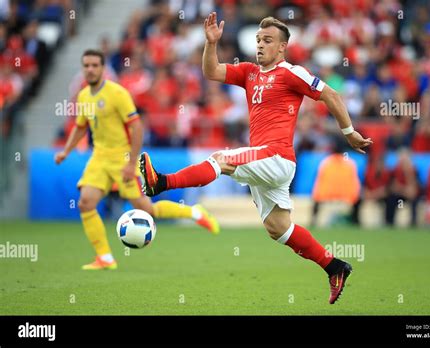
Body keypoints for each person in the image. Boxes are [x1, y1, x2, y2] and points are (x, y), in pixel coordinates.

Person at [140, 13, 373, 304]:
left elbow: (332, 96)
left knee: (220, 159)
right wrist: (211, 43)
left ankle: (161, 182)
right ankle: (335, 267)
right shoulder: (249, 72)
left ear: (282, 47)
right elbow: (212, 72)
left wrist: (349, 133)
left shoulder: (292, 72)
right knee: (278, 228)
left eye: (268, 40)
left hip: (277, 155)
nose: (261, 45)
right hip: (265, 160)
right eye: (258, 40)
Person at [54, 49, 220, 271]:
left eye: (95, 65)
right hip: (98, 158)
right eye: (87, 65)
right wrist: (66, 151)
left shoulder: (117, 94)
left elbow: (137, 126)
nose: (90, 69)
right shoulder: (84, 96)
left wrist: (131, 162)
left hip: (121, 158)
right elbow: (80, 127)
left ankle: (194, 212)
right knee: (85, 203)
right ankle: (105, 257)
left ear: (103, 68)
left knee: (146, 209)